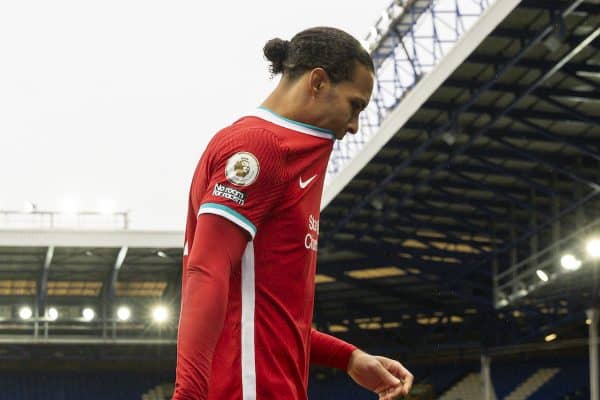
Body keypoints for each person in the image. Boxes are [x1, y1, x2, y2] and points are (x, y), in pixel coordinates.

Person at [173, 26, 413, 400]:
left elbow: (267, 313)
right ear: (317, 82)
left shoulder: (289, 154)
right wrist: (188, 395)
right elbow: (207, 269)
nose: (353, 126)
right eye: (354, 106)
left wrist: (348, 358)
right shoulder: (259, 148)